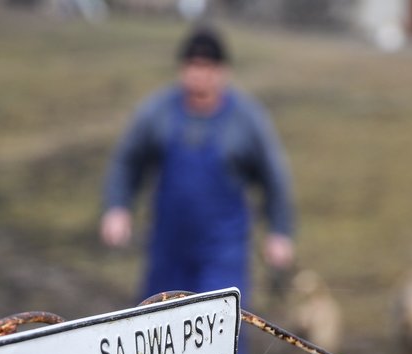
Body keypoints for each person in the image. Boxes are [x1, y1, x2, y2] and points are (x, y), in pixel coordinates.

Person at [99, 25, 295, 312]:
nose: (200, 74)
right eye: (193, 65)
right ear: (182, 68)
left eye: (208, 67)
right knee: (157, 329)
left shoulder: (247, 119)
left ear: (223, 71)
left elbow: (274, 177)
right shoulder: (158, 112)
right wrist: (117, 207)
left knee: (220, 331)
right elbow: (127, 161)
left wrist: (280, 232)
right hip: (167, 248)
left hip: (223, 253)